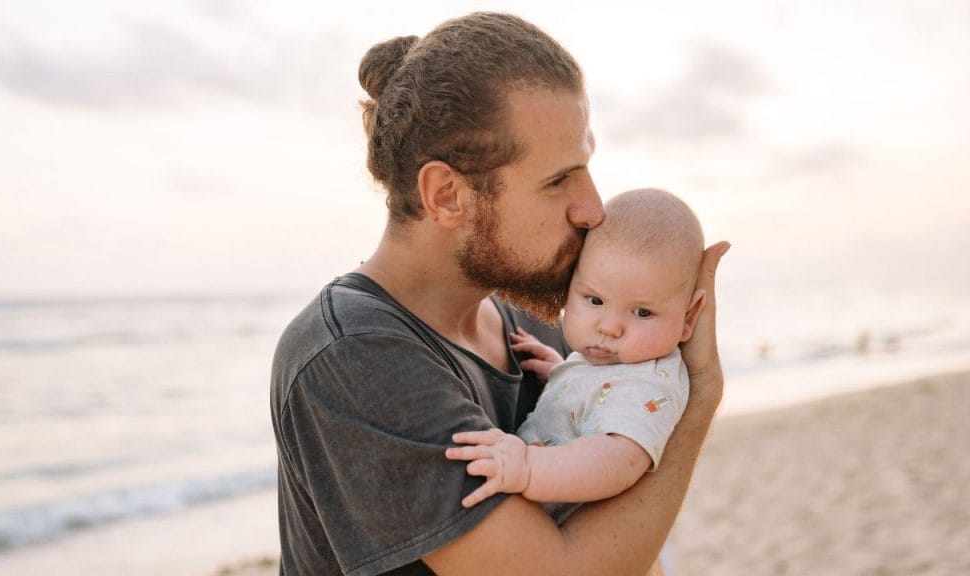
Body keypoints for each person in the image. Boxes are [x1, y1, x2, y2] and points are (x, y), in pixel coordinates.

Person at [269, 11, 729, 576]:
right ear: (447, 194)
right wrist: (700, 393)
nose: (593, 208)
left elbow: (625, 540)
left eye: (585, 168)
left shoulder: (541, 327)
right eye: (558, 180)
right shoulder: (353, 356)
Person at [445, 189, 707, 523]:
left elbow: (616, 461)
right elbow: (599, 402)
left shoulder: (649, 385)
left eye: (642, 312)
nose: (609, 327)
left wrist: (528, 467)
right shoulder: (619, 365)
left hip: (559, 530)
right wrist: (564, 371)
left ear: (688, 316)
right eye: (595, 301)